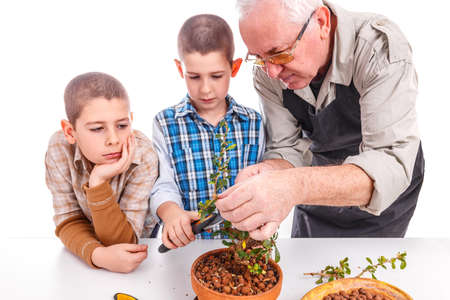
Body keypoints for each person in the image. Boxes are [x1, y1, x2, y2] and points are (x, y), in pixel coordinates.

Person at [216, 0, 424, 239]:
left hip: (382, 201)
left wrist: (292, 185)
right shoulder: (267, 72)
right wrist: (269, 172)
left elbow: (388, 163)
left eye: (280, 54)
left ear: (322, 23)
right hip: (313, 188)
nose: (271, 73)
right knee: (308, 271)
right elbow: (287, 148)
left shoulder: (379, 50)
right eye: (259, 58)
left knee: (363, 272)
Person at [150, 14, 265, 250]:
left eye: (216, 76)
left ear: (234, 68)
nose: (205, 88)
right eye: (194, 77)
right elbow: (163, 184)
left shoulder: (253, 121)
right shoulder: (165, 123)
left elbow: (265, 182)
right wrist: (171, 214)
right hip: (186, 250)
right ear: (180, 69)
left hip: (245, 250)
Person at [45, 72, 159, 273]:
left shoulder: (143, 156)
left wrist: (98, 182)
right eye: (98, 128)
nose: (114, 139)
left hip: (135, 244)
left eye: (122, 125)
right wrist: (98, 256)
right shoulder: (59, 149)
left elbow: (125, 241)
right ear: (70, 132)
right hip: (85, 244)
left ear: (131, 121)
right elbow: (68, 219)